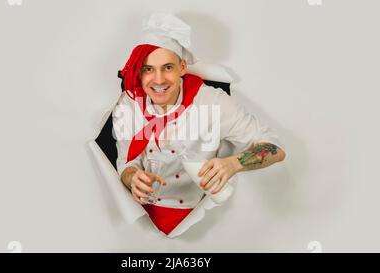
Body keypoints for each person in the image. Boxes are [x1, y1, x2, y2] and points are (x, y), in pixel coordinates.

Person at [112, 13, 286, 235]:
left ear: (182, 67)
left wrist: (234, 163)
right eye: (148, 69)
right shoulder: (129, 104)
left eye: (167, 67)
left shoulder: (212, 102)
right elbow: (126, 162)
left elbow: (275, 147)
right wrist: (132, 178)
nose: (158, 80)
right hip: (140, 219)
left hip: (201, 221)